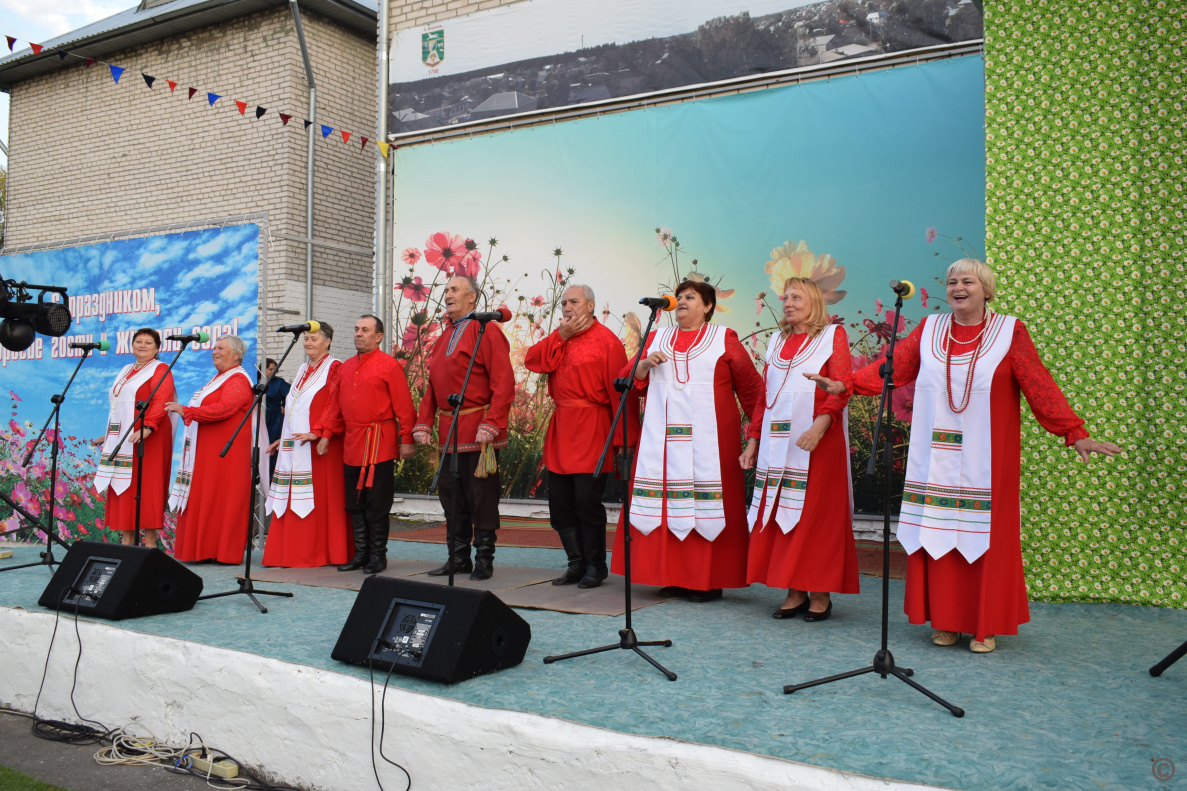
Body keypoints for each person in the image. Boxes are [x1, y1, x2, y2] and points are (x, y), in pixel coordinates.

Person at [808, 259, 1121, 652]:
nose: (958, 287)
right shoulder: (930, 329)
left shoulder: (1010, 331)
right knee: (936, 533)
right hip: (933, 457)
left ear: (986, 289)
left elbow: (1038, 383)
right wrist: (845, 383)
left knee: (984, 538)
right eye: (951, 281)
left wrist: (1074, 433)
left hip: (988, 461)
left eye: (967, 281)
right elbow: (893, 368)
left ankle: (983, 625)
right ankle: (946, 621)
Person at [612, 279, 763, 602]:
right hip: (661, 445)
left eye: (690, 297)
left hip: (712, 444)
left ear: (708, 306)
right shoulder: (657, 336)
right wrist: (642, 366)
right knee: (665, 505)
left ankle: (706, 579)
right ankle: (670, 575)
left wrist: (757, 435)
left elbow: (752, 390)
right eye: (678, 297)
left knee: (706, 505)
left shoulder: (725, 339)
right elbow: (625, 381)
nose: (681, 301)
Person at [741, 278, 857, 621]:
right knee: (780, 513)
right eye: (785, 297)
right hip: (778, 445)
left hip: (817, 441)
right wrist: (752, 441)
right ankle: (794, 590)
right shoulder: (776, 340)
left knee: (815, 518)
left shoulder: (832, 336)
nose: (788, 302)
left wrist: (818, 428)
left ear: (814, 302)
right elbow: (765, 397)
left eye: (796, 297)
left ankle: (820, 593)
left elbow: (840, 388)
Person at [524, 284, 631, 589]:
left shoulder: (607, 341)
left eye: (574, 301)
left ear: (591, 306)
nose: (567, 307)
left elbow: (619, 395)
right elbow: (534, 361)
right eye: (563, 302)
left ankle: (596, 566)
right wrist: (560, 336)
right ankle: (575, 564)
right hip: (562, 427)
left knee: (586, 500)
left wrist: (624, 440)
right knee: (560, 503)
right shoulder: (561, 336)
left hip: (594, 426)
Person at [412, 276, 515, 581]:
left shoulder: (487, 331)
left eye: (454, 290)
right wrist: (423, 421)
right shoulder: (445, 336)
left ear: (472, 298)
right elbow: (433, 386)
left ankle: (484, 559)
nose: (448, 295)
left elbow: (504, 381)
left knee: (481, 498)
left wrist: (493, 423)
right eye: (445, 291)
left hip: (479, 430)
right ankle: (457, 559)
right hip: (449, 432)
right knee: (451, 497)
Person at [312, 315, 417, 574]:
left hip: (379, 441)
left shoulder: (389, 365)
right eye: (356, 329)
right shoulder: (345, 367)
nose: (358, 334)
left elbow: (405, 406)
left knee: (377, 503)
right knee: (354, 502)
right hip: (351, 443)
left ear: (378, 336)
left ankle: (378, 557)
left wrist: (407, 439)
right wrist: (326, 435)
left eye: (365, 330)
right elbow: (334, 406)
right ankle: (361, 554)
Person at [262, 323, 353, 567]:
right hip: (297, 444)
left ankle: (320, 552)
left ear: (328, 341)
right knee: (292, 497)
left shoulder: (335, 368)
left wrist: (321, 433)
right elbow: (294, 409)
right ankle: (289, 552)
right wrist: (284, 437)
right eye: (305, 339)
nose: (308, 343)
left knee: (321, 498)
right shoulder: (303, 369)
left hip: (321, 445)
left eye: (313, 338)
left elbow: (336, 404)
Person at [165, 335, 262, 563]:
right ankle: (202, 549)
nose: (214, 352)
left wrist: (188, 411)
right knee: (207, 497)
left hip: (225, 454)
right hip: (209, 451)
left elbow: (225, 408)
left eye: (220, 348)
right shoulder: (220, 378)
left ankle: (220, 551)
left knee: (220, 498)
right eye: (214, 348)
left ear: (236, 355)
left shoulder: (237, 380)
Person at [94, 328, 177, 549]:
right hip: (126, 436)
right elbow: (118, 407)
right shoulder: (125, 370)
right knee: (126, 489)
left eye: (148, 342)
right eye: (138, 341)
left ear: (157, 348)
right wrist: (110, 435)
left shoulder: (160, 369)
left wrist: (148, 426)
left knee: (146, 487)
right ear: (131, 346)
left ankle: (150, 543)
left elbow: (161, 400)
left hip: (150, 436)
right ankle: (127, 539)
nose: (142, 345)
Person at [264, 357, 291, 479]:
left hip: (274, 418)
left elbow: (292, 395)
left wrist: (284, 406)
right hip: (261, 417)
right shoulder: (257, 381)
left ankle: (271, 479)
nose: (273, 371)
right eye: (270, 369)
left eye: (275, 369)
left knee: (272, 447)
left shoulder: (279, 382)